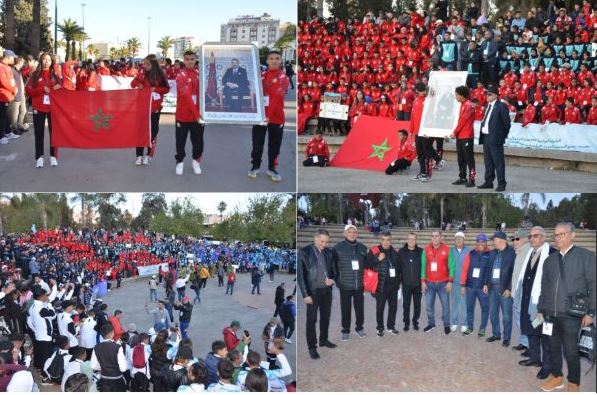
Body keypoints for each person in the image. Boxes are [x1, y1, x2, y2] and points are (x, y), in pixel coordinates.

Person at [536, 222, 595, 392]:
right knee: (553, 347)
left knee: (570, 350)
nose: (558, 238)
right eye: (556, 234)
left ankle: (574, 383)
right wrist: (541, 309)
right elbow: (545, 286)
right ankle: (557, 377)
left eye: (562, 234)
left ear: (573, 235)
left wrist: (591, 312)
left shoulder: (586, 256)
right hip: (550, 313)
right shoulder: (550, 260)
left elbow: (594, 284)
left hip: (572, 314)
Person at [516, 226, 556, 380]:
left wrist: (544, 305)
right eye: (530, 236)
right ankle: (534, 358)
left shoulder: (552, 254)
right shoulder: (529, 253)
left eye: (536, 236)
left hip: (543, 304)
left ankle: (547, 366)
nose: (532, 238)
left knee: (545, 337)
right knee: (531, 330)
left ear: (544, 237)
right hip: (528, 300)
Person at [248, 50, 289, 182]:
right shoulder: (260, 76)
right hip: (260, 117)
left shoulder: (284, 78)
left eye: (277, 58)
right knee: (257, 143)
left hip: (276, 118)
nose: (274, 61)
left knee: (274, 145)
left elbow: (276, 98)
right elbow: (253, 94)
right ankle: (255, 166)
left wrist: (269, 116)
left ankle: (272, 168)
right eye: (271, 58)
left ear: (281, 61)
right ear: (266, 61)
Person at [297, 228, 337, 359]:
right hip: (312, 292)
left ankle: (323, 340)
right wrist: (305, 294)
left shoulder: (329, 253)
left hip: (326, 291)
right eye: (321, 241)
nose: (323, 244)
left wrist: (332, 279)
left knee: (326, 316)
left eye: (326, 242)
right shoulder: (304, 252)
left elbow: (335, 271)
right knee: (311, 320)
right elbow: (300, 275)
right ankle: (312, 347)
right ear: (315, 239)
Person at [131, 55, 170, 164]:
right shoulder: (141, 73)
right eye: (144, 63)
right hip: (141, 107)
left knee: (153, 132)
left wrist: (156, 89)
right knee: (140, 131)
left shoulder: (160, 74)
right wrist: (138, 84)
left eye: (147, 64)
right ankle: (139, 155)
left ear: (153, 64)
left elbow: (167, 89)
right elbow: (132, 83)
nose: (144, 66)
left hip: (155, 108)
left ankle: (148, 155)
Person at [25, 52, 62, 168]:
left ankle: (53, 157)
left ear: (52, 62)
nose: (47, 62)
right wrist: (41, 89)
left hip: (52, 109)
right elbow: (28, 90)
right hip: (38, 108)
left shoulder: (55, 75)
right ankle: (39, 157)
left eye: (49, 60)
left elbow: (62, 88)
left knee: (54, 134)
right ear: (41, 60)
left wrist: (59, 87)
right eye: (45, 59)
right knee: (39, 134)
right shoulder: (35, 74)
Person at [334, 224, 368, 341]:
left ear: (356, 234)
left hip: (359, 285)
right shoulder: (338, 247)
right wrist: (337, 280)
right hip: (345, 285)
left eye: (354, 232)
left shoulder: (362, 247)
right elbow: (333, 266)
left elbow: (368, 264)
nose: (352, 234)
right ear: (345, 233)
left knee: (360, 309)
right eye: (349, 232)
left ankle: (359, 328)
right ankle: (345, 330)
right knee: (345, 309)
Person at [365, 231, 401, 337]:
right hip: (380, 286)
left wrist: (398, 284)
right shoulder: (374, 251)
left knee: (393, 307)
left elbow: (398, 269)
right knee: (380, 308)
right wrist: (377, 259)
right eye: (383, 240)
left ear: (391, 240)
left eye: (388, 240)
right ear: (380, 240)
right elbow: (367, 265)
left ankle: (390, 326)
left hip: (393, 286)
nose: (385, 242)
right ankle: (380, 328)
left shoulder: (395, 252)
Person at [175, 50, 204, 176]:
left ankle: (196, 161)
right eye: (187, 59)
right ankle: (180, 162)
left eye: (192, 59)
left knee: (198, 141)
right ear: (184, 60)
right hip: (183, 115)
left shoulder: (200, 74)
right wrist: (197, 115)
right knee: (180, 141)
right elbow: (187, 97)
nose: (190, 61)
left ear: (195, 59)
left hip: (198, 116)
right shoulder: (180, 75)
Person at [477, 85, 511, 192]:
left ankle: (501, 183)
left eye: (490, 94)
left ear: (496, 95)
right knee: (488, 161)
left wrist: (501, 135)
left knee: (498, 162)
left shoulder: (501, 106)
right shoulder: (487, 106)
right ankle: (488, 182)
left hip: (495, 138)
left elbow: (507, 123)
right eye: (487, 94)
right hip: (486, 137)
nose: (487, 96)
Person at [421, 230, 454, 334]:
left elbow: (452, 266)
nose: (435, 238)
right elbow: (423, 267)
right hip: (429, 283)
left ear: (440, 237)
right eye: (433, 236)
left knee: (446, 306)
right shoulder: (425, 250)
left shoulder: (448, 249)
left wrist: (450, 281)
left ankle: (446, 324)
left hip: (443, 283)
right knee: (429, 306)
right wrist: (423, 281)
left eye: (437, 236)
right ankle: (431, 323)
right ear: (431, 238)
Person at [487, 231, 516, 347]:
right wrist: (486, 284)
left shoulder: (512, 253)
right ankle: (496, 334)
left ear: (501, 240)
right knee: (493, 313)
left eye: (494, 240)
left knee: (507, 316)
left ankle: (507, 337)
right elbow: (488, 269)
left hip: (504, 289)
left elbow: (514, 273)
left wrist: (509, 288)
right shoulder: (493, 253)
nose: (493, 242)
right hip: (492, 288)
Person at [460, 233, 491, 336]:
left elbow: (491, 272)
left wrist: (487, 284)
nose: (481, 243)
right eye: (479, 241)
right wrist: (463, 285)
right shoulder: (471, 253)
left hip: (483, 287)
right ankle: (470, 327)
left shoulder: (491, 254)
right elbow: (464, 270)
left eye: (483, 241)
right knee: (469, 308)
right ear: (476, 242)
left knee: (485, 308)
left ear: (486, 242)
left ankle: (482, 328)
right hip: (470, 286)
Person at [451, 85, 476, 187]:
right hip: (460, 136)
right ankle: (462, 177)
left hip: (467, 136)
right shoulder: (462, 105)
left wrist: (454, 131)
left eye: (457, 95)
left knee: (469, 158)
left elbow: (463, 121)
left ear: (462, 95)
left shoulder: (469, 105)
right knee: (461, 158)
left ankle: (472, 179)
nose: (455, 96)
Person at [510, 229, 531, 353]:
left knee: (525, 319)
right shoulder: (519, 252)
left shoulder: (528, 251)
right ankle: (524, 342)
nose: (514, 241)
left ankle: (530, 345)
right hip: (517, 291)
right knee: (519, 318)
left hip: (524, 292)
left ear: (525, 239)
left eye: (517, 239)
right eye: (513, 239)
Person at [397, 232, 423, 331]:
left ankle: (415, 322)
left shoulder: (421, 252)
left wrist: (423, 282)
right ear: (407, 240)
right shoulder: (401, 252)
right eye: (410, 239)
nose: (411, 241)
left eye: (413, 239)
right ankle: (406, 323)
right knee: (406, 305)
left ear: (416, 240)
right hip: (406, 284)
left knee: (417, 305)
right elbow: (398, 268)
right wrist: (398, 283)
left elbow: (424, 268)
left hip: (418, 285)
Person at [90, 324, 128, 391]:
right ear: (112, 333)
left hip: (104, 381)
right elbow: (123, 369)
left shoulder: (96, 347)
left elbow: (93, 366)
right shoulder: (118, 347)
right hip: (117, 380)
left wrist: (104, 367)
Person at [27, 286, 56, 372]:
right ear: (42, 296)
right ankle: (45, 374)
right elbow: (53, 315)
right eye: (46, 295)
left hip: (38, 334)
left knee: (39, 353)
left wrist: (36, 330)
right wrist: (49, 304)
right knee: (46, 357)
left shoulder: (32, 307)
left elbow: (29, 322)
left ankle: (39, 367)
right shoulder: (41, 308)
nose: (47, 297)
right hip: (45, 336)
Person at [450, 232, 471, 333]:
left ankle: (464, 323)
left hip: (464, 283)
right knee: (454, 303)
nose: (458, 240)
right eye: (456, 238)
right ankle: (454, 322)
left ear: (464, 240)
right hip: (454, 282)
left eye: (460, 238)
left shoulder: (469, 251)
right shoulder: (451, 251)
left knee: (463, 303)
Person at [0, 50, 18, 146]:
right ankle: (1, 136)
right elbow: (3, 82)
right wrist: (13, 89)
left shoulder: (7, 67)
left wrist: (15, 88)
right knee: (2, 117)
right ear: (7, 57)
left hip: (9, 95)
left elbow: (11, 80)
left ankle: (7, 132)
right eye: (12, 57)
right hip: (3, 96)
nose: (14, 59)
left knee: (8, 116)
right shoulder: (1, 67)